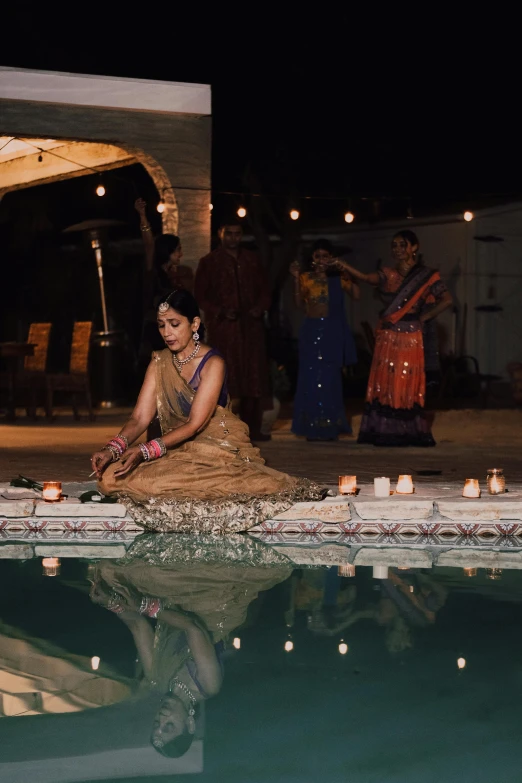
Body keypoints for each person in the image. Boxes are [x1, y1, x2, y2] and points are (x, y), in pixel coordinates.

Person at [90, 289, 320, 531]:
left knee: (171, 481)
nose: (167, 333)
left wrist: (144, 451)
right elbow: (139, 418)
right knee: (110, 476)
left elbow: (194, 424)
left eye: (175, 324)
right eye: (161, 326)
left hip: (215, 446)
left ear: (195, 324)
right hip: (174, 446)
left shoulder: (213, 364)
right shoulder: (160, 362)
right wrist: (113, 449)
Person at [89, 533, 293, 757]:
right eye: (169, 726)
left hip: (169, 604)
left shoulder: (157, 679)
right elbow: (193, 628)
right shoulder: (208, 685)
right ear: (190, 724)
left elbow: (138, 626)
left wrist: (112, 604)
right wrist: (144, 605)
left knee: (110, 574)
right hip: (210, 605)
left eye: (156, 724)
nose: (161, 718)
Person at [338, 230, 452, 446]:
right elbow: (365, 278)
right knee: (388, 382)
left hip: (412, 336)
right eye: (394, 246)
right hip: (389, 335)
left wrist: (424, 317)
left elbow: (446, 300)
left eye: (403, 245)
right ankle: (386, 431)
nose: (398, 250)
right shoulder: (388, 274)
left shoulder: (428, 275)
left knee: (407, 382)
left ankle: (408, 431)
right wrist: (344, 266)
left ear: (414, 247)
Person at [194, 221, 271, 441]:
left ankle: (252, 430)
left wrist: (259, 308)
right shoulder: (209, 262)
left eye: (238, 234)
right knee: (225, 375)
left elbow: (265, 291)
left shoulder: (251, 260)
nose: (233, 238)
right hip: (224, 329)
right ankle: (224, 429)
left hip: (251, 329)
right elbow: (201, 295)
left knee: (253, 377)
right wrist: (220, 311)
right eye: (229, 233)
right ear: (220, 234)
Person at [290, 239, 359, 441]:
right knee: (311, 377)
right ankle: (311, 425)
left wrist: (346, 271)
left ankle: (330, 425)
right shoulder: (306, 278)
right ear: (312, 258)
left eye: (326, 256)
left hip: (332, 331)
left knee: (330, 377)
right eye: (318, 256)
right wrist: (295, 278)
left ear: (331, 258)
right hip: (311, 331)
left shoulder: (338, 278)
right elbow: (297, 303)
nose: (322, 260)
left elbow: (356, 295)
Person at [134, 198, 194, 370]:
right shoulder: (153, 271)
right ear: (168, 252)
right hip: (155, 333)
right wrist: (143, 216)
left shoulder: (175, 274)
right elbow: (149, 245)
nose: (181, 254)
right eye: (178, 250)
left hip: (172, 334)